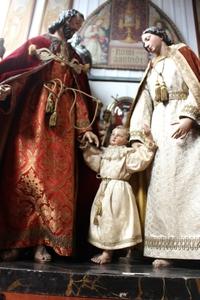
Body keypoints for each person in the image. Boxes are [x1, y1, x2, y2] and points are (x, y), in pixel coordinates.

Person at [0, 9, 100, 263]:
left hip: (62, 125)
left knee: (56, 184)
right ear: (63, 21)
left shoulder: (74, 56)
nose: (74, 31)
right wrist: (6, 91)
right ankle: (17, 242)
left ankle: (44, 243)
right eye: (72, 26)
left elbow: (78, 94)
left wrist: (86, 128)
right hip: (32, 118)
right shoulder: (38, 44)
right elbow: (16, 72)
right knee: (23, 176)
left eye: (78, 28)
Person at [128, 26, 200, 268]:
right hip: (160, 130)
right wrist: (139, 133)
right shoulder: (151, 67)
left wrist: (189, 117)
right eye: (143, 41)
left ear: (160, 35)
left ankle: (194, 247)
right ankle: (165, 248)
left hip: (184, 130)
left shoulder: (182, 53)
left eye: (148, 37)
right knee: (161, 187)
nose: (146, 43)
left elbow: (196, 85)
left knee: (190, 187)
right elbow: (144, 101)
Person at [81, 125, 156, 264]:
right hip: (104, 188)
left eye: (119, 135)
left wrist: (148, 138)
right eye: (113, 134)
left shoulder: (127, 154)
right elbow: (94, 162)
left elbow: (142, 159)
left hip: (118, 191)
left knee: (114, 220)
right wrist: (86, 146)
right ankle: (109, 249)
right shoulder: (106, 152)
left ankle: (108, 253)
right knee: (103, 218)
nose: (114, 136)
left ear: (126, 140)